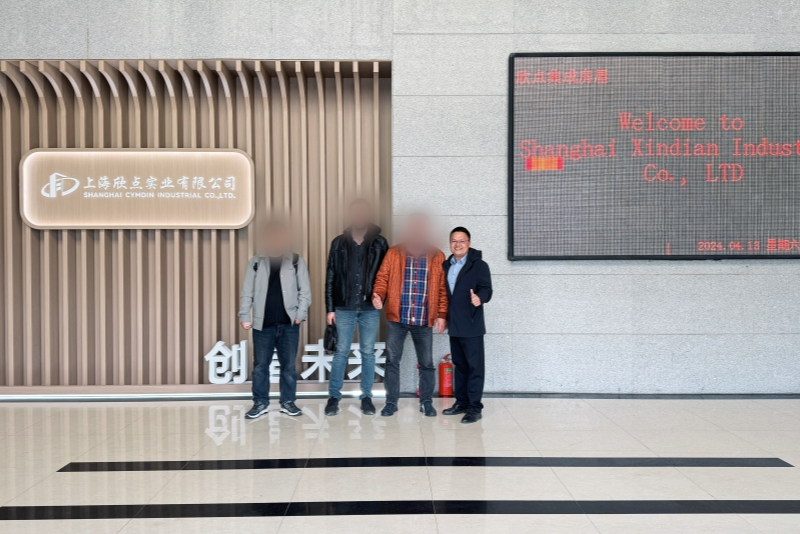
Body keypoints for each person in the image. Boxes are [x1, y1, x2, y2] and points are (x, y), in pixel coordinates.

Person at [371, 213, 448, 417]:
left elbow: (442, 289)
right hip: (398, 318)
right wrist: (378, 295)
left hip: (423, 319)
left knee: (426, 364)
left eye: (421, 227)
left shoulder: (437, 256)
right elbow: (382, 278)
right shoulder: (394, 253)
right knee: (392, 361)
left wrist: (442, 314)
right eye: (414, 227)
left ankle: (426, 402)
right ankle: (391, 402)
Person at [239, 221, 311, 419]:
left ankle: (288, 402)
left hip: (289, 324)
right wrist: (244, 315)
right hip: (262, 324)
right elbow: (247, 292)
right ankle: (260, 403)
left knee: (289, 367)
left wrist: (300, 315)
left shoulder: (296, 261)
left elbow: (305, 291)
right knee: (260, 366)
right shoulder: (255, 262)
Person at [324, 198, 389, 416]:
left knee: (368, 352)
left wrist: (382, 298)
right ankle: (334, 396)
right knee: (341, 351)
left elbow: (386, 276)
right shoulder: (338, 243)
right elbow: (330, 276)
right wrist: (330, 308)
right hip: (344, 307)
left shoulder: (380, 243)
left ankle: (366, 397)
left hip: (370, 308)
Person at [441, 227, 492, 424]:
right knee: (460, 366)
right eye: (454, 241)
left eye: (462, 241)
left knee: (474, 368)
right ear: (450, 244)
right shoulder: (446, 265)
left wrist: (480, 298)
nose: (458, 244)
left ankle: (474, 408)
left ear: (469, 243)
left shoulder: (479, 265)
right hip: (454, 325)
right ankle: (461, 403)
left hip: (471, 325)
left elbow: (487, 289)